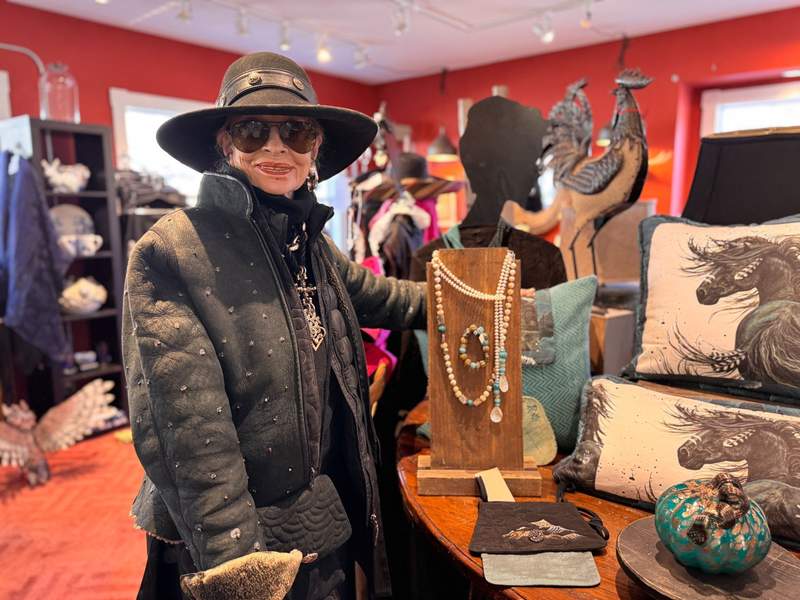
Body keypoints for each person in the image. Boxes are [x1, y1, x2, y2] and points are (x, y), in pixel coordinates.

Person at [123, 52, 426, 600]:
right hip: (229, 541)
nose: (275, 147)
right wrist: (239, 569)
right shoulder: (173, 251)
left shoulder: (309, 240)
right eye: (252, 130)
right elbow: (191, 433)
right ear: (224, 143)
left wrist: (493, 301)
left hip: (320, 522)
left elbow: (382, 298)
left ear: (316, 149)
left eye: (295, 131)